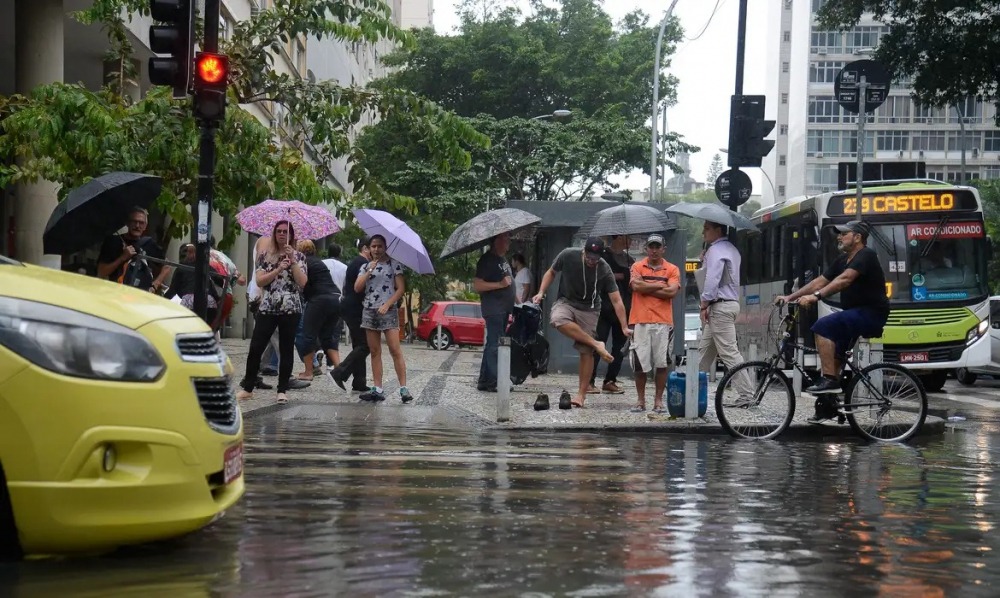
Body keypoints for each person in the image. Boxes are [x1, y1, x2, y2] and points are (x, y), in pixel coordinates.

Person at [776, 220, 890, 404]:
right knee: (835, 357)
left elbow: (845, 279)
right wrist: (790, 297)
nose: (839, 237)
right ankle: (827, 408)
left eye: (844, 234)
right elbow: (819, 281)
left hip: (871, 314)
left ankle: (829, 380)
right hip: (854, 313)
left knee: (822, 327)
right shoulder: (843, 260)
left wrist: (816, 297)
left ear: (857, 237)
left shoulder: (866, 255)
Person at [531, 237, 631, 408]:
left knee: (586, 351)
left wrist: (624, 326)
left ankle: (581, 395)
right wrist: (541, 292)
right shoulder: (568, 255)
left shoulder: (604, 269)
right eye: (589, 257)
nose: (591, 261)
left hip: (590, 309)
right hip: (566, 301)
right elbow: (551, 272)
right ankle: (596, 343)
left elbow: (616, 300)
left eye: (595, 259)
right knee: (557, 319)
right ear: (584, 251)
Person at [235, 220, 308, 405]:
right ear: (274, 234)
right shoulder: (265, 256)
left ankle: (282, 390)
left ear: (291, 235)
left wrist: (292, 262)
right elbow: (260, 281)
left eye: (285, 231)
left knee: (286, 348)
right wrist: (278, 269)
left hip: (290, 307)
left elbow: (302, 282)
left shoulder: (299, 256)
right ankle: (248, 387)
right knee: (256, 347)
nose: (282, 234)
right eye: (279, 231)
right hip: (268, 306)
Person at [354, 234, 412, 403]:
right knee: (374, 351)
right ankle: (377, 387)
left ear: (385, 247)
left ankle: (403, 388)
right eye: (373, 246)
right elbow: (357, 287)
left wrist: (387, 304)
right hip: (369, 310)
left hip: (388, 311)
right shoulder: (365, 266)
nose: (376, 249)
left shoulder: (394, 264)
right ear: (369, 248)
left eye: (380, 246)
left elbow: (400, 289)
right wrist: (369, 271)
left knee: (395, 349)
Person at [628, 234, 681, 413]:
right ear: (646, 248)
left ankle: (658, 401)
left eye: (658, 247)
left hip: (663, 321)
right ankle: (640, 400)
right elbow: (636, 287)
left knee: (662, 363)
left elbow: (671, 292)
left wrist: (646, 287)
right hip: (639, 320)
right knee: (640, 364)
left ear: (663, 249)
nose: (654, 250)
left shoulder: (672, 269)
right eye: (651, 246)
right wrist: (660, 285)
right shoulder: (637, 266)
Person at [698, 220, 749, 394]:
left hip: (719, 305)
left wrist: (704, 303)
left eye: (707, 229)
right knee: (704, 352)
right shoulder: (732, 249)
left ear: (718, 230)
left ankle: (746, 394)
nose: (703, 233)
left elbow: (712, 279)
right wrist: (705, 261)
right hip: (727, 304)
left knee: (729, 352)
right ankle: (690, 388)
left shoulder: (715, 250)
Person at [588, 234, 634, 394]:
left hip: (624, 308)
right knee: (597, 344)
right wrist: (619, 276)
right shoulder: (603, 256)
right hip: (603, 307)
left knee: (619, 348)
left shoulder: (629, 260)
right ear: (619, 238)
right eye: (628, 238)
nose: (631, 241)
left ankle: (610, 380)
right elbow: (596, 275)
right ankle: (589, 381)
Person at [473, 233, 516, 392]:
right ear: (497, 241)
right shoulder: (487, 260)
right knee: (495, 345)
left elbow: (510, 284)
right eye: (506, 239)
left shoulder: (502, 259)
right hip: (494, 309)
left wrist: (520, 302)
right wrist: (499, 284)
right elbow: (477, 285)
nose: (509, 242)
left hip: (504, 309)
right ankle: (495, 381)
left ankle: (484, 381)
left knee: (492, 344)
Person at [294, 239, 342, 380]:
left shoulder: (303, 262)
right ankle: (340, 369)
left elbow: (302, 283)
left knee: (308, 335)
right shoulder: (318, 262)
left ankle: (309, 372)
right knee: (328, 337)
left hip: (319, 300)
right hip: (336, 298)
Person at [329, 238, 372, 393]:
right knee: (365, 345)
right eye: (373, 247)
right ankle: (339, 372)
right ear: (365, 248)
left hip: (350, 307)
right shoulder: (362, 263)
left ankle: (359, 382)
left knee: (359, 344)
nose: (375, 251)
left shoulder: (357, 262)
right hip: (355, 309)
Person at [97, 206, 171, 293]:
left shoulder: (149, 244)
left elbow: (167, 266)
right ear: (127, 223)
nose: (137, 226)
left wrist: (155, 285)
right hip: (115, 293)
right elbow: (101, 272)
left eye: (141, 223)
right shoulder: (113, 242)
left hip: (139, 296)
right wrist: (122, 258)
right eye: (134, 221)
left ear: (145, 226)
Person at [165, 243, 220, 325]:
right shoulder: (205, 266)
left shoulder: (181, 268)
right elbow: (218, 280)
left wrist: (161, 300)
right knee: (208, 326)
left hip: (188, 300)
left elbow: (173, 290)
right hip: (208, 300)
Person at [322, 243, 349, 367]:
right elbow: (346, 287)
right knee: (334, 333)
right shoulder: (344, 267)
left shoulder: (321, 264)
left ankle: (319, 350)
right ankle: (330, 363)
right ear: (339, 253)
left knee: (319, 329)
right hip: (338, 300)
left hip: (322, 300)